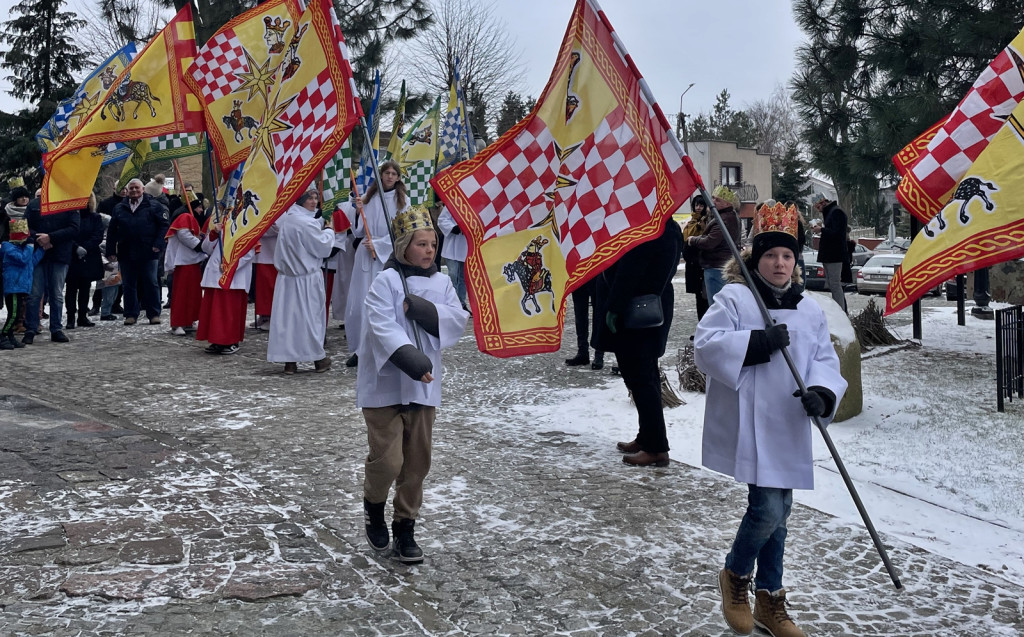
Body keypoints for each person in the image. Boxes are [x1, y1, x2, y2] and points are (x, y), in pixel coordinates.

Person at [694, 202, 847, 637]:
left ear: (796, 262)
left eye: (786, 256)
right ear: (754, 259)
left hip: (788, 422)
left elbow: (824, 358)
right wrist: (758, 342)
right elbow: (707, 345)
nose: (779, 264)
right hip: (751, 423)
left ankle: (770, 600)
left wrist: (822, 392)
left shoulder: (809, 308)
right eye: (769, 256)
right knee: (766, 509)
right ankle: (736, 576)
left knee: (781, 514)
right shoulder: (737, 298)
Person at [358, 205, 469, 563]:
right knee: (389, 461)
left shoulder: (442, 282)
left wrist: (426, 310)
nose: (429, 251)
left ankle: (405, 524)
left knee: (417, 462)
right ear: (404, 245)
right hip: (387, 384)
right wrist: (409, 358)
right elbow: (381, 326)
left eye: (433, 244)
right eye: (421, 244)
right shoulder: (386, 281)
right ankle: (373, 506)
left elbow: (457, 318)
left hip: (424, 387)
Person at [594, 215, 683, 467]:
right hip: (641, 310)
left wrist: (614, 306)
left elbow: (633, 269)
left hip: (638, 312)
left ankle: (656, 447)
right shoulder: (662, 225)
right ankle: (647, 437)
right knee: (641, 377)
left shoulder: (655, 227)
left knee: (642, 378)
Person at [342, 160, 409, 367]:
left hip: (386, 256)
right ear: (381, 175)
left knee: (383, 303)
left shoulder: (403, 201)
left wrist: (380, 245)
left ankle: (385, 347)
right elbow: (360, 230)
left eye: (393, 173)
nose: (389, 176)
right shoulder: (369, 198)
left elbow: (404, 233)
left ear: (398, 178)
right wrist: (357, 210)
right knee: (362, 302)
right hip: (365, 255)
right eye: (386, 172)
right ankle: (361, 349)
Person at [267, 190, 335, 374]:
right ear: (301, 200)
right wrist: (329, 231)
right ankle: (318, 358)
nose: (314, 202)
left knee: (289, 321)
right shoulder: (305, 223)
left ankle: (290, 362)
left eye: (315, 198)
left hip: (287, 279)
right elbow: (321, 247)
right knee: (310, 319)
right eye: (309, 198)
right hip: (305, 278)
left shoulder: (289, 220)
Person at [106, 178, 169, 326]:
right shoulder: (119, 208)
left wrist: (158, 244)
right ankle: (130, 314)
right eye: (131, 188)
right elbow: (112, 231)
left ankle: (153, 314)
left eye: (137, 188)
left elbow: (164, 226)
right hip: (126, 251)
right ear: (127, 191)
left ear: (143, 190)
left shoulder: (154, 206)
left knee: (151, 282)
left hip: (149, 251)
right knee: (128, 284)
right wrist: (110, 250)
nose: (134, 190)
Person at [23, 190, 80, 344]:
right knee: (34, 294)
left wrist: (51, 237)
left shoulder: (69, 204)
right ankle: (30, 328)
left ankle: (56, 329)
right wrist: (39, 239)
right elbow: (25, 226)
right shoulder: (34, 204)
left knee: (56, 294)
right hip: (38, 254)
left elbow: (74, 228)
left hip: (60, 253)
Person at [195, 216, 254, 355]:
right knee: (215, 311)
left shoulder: (250, 227)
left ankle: (230, 340)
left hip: (234, 277)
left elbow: (249, 252)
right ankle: (216, 340)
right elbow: (206, 248)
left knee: (229, 311)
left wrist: (230, 266)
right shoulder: (223, 223)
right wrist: (214, 233)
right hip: (216, 273)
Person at [688, 185, 742, 305]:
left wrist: (693, 240)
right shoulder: (727, 216)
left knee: (717, 305)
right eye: (712, 198)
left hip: (717, 266)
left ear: (727, 203)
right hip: (721, 264)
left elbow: (710, 242)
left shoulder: (724, 219)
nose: (713, 202)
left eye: (717, 199)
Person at [164, 199, 207, 335]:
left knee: (192, 294)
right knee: (182, 294)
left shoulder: (190, 218)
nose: (201, 210)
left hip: (191, 261)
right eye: (199, 207)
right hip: (183, 262)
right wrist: (200, 246)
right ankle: (178, 323)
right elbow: (184, 235)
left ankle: (188, 320)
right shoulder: (185, 217)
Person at [0, 219, 43, 350]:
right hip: (13, 286)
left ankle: (10, 336)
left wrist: (42, 250)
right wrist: (30, 246)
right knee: (13, 314)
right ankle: (3, 336)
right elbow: (24, 259)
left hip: (21, 286)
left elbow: (31, 262)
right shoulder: (8, 247)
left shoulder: (22, 248)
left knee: (17, 313)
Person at [64, 193, 104, 330]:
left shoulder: (95, 217)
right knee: (71, 288)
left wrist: (85, 247)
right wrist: (76, 247)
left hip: (89, 255)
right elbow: (67, 233)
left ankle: (82, 316)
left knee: (85, 288)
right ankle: (70, 318)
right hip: (72, 255)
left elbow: (98, 235)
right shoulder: (69, 216)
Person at [813, 193, 849, 312]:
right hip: (830, 254)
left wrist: (821, 229)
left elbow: (837, 233)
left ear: (823, 203)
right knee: (832, 284)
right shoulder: (831, 212)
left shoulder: (836, 212)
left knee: (835, 284)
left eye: (818, 207)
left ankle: (840, 311)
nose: (818, 210)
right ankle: (839, 309)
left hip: (834, 255)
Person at [565, 279, 605, 369]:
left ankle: (599, 355)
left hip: (596, 271)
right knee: (580, 314)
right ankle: (582, 352)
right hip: (578, 275)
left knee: (598, 314)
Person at [682, 194, 710, 322]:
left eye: (701, 205)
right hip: (693, 264)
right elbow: (685, 240)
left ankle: (706, 325)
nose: (698, 208)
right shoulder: (691, 222)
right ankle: (701, 324)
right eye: (696, 205)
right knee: (699, 297)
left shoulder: (707, 221)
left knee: (706, 297)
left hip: (703, 263)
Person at [436, 205, 467, 310]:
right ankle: (452, 302)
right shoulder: (452, 204)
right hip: (451, 246)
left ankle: (461, 303)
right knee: (453, 274)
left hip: (465, 245)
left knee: (464, 277)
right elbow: (441, 220)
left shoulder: (472, 205)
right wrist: (452, 228)